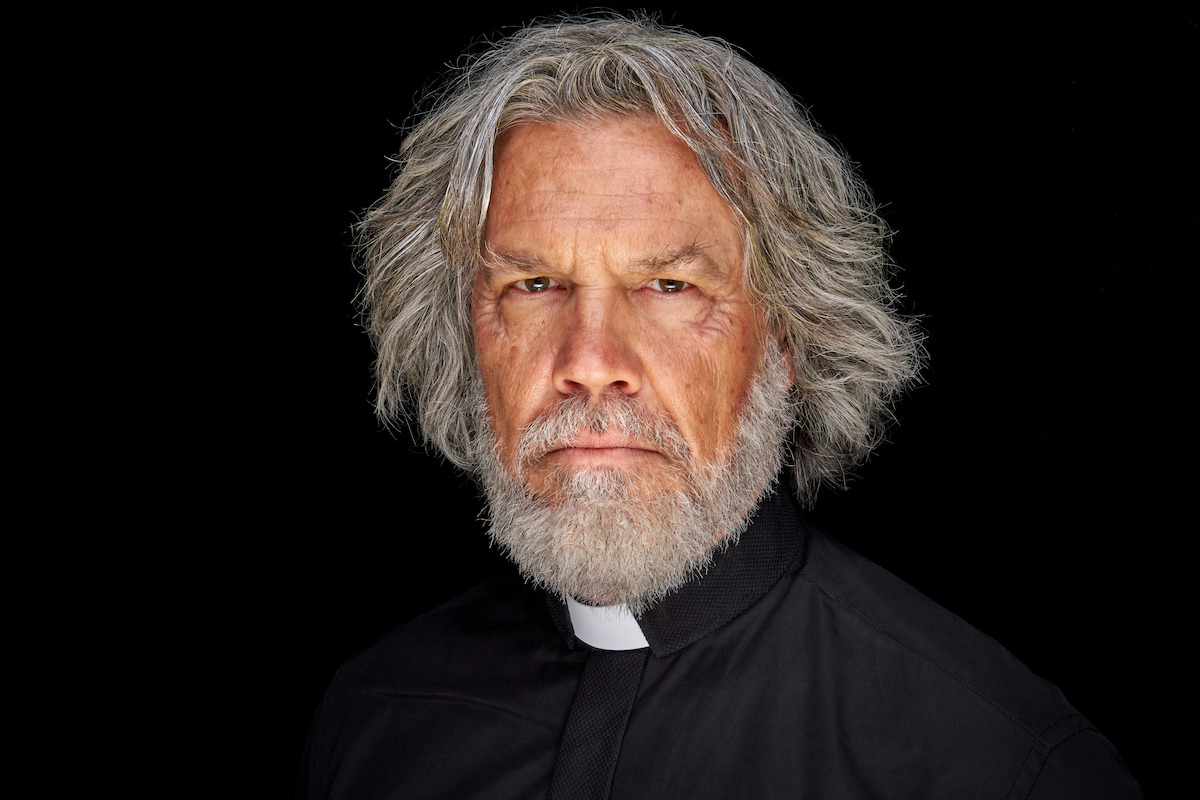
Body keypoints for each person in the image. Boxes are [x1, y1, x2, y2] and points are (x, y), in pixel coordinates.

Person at [298, 15, 1141, 799]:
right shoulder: (372, 716)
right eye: (535, 284)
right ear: (465, 333)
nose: (590, 363)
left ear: (787, 337)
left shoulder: (997, 763)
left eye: (669, 286)